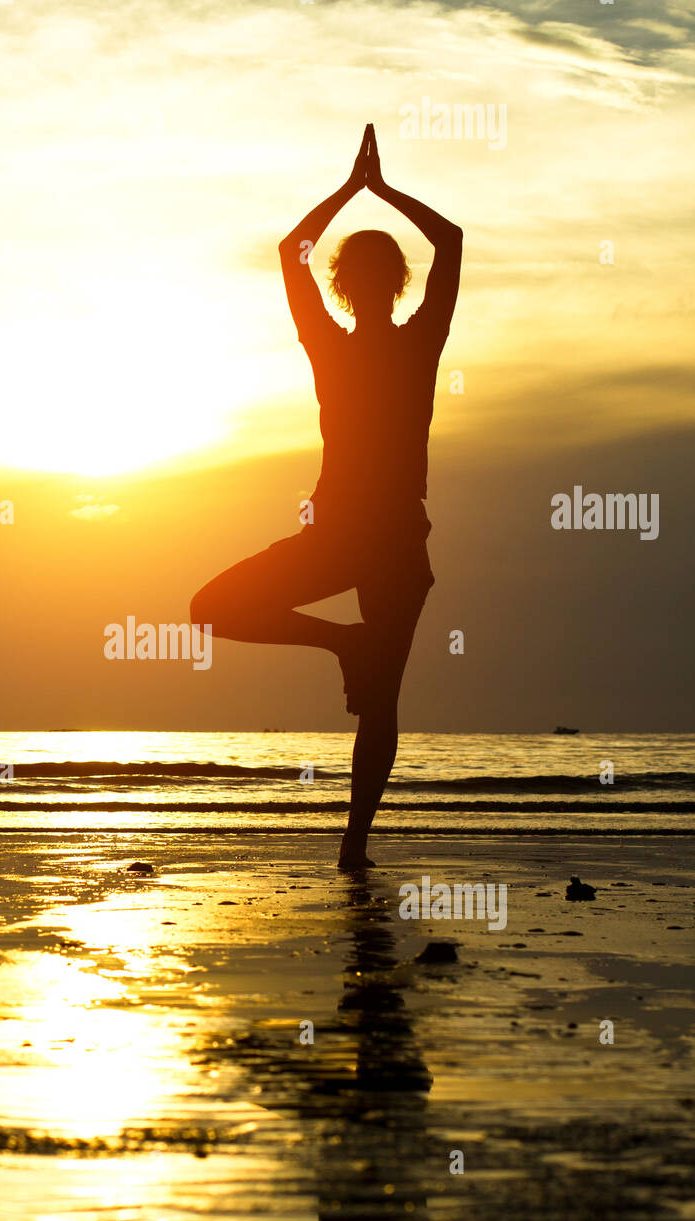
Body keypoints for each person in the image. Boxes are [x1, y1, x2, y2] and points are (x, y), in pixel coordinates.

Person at [191, 124, 461, 869]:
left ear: (365, 284)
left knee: (379, 702)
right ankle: (346, 650)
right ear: (361, 284)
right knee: (212, 609)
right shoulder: (360, 343)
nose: (371, 285)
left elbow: (298, 251)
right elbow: (450, 241)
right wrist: (372, 191)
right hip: (358, 538)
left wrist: (360, 191)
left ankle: (354, 845)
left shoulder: (400, 342)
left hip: (388, 543)